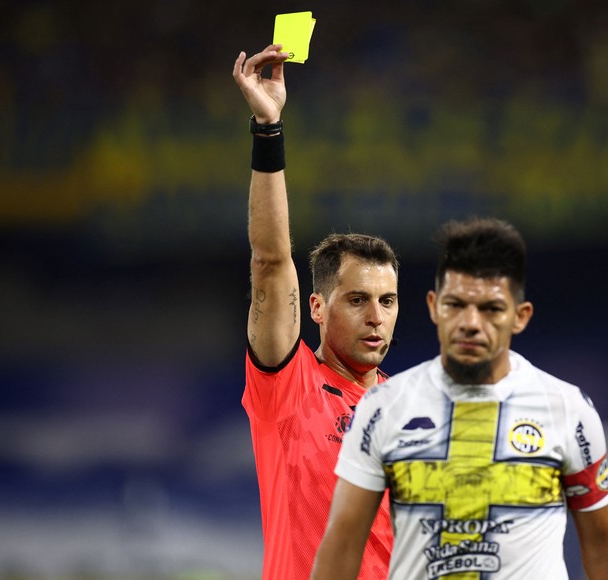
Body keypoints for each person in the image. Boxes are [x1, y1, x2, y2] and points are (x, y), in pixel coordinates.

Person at [312, 217, 608, 579]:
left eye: (491, 309)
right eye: (456, 304)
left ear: (520, 316)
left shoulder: (567, 410)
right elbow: (341, 548)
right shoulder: (383, 409)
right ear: (434, 307)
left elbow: (606, 552)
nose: (470, 322)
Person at [232, 44, 397, 579]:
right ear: (317, 308)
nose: (376, 317)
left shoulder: (411, 408)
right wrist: (268, 128)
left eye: (387, 301)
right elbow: (270, 261)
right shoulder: (289, 387)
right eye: (358, 300)